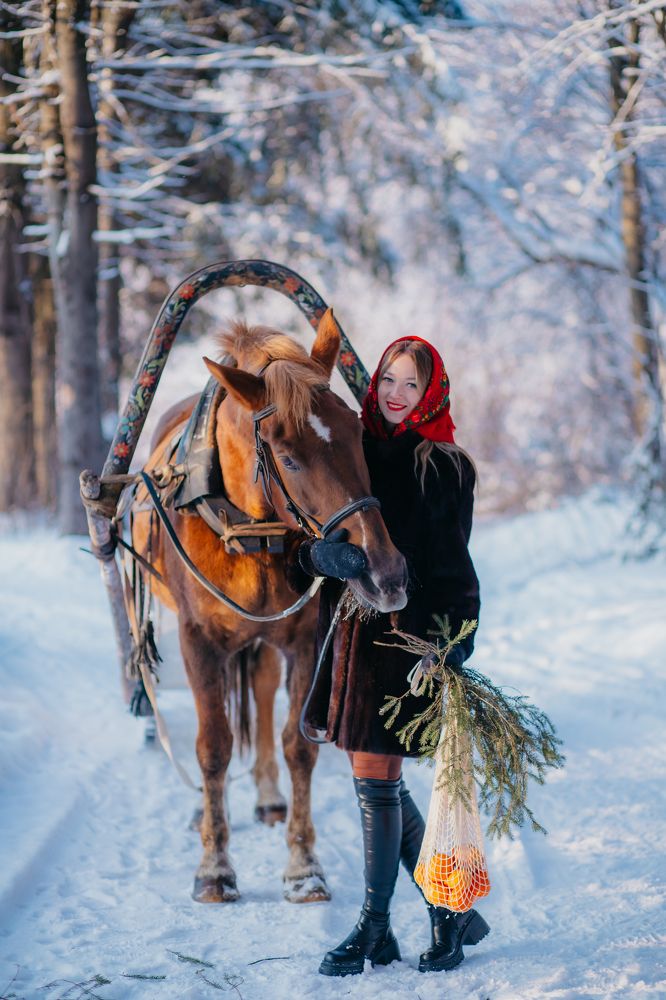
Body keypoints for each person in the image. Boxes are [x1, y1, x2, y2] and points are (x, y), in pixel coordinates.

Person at [299, 336, 489, 977]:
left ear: (431, 391)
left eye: (412, 384)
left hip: (408, 645)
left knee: (377, 788)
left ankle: (374, 929)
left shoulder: (445, 465)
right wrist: (317, 557)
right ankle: (448, 910)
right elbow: (315, 528)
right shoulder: (352, 446)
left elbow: (455, 571)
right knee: (375, 784)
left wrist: (447, 646)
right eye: (388, 380)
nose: (396, 394)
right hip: (350, 640)